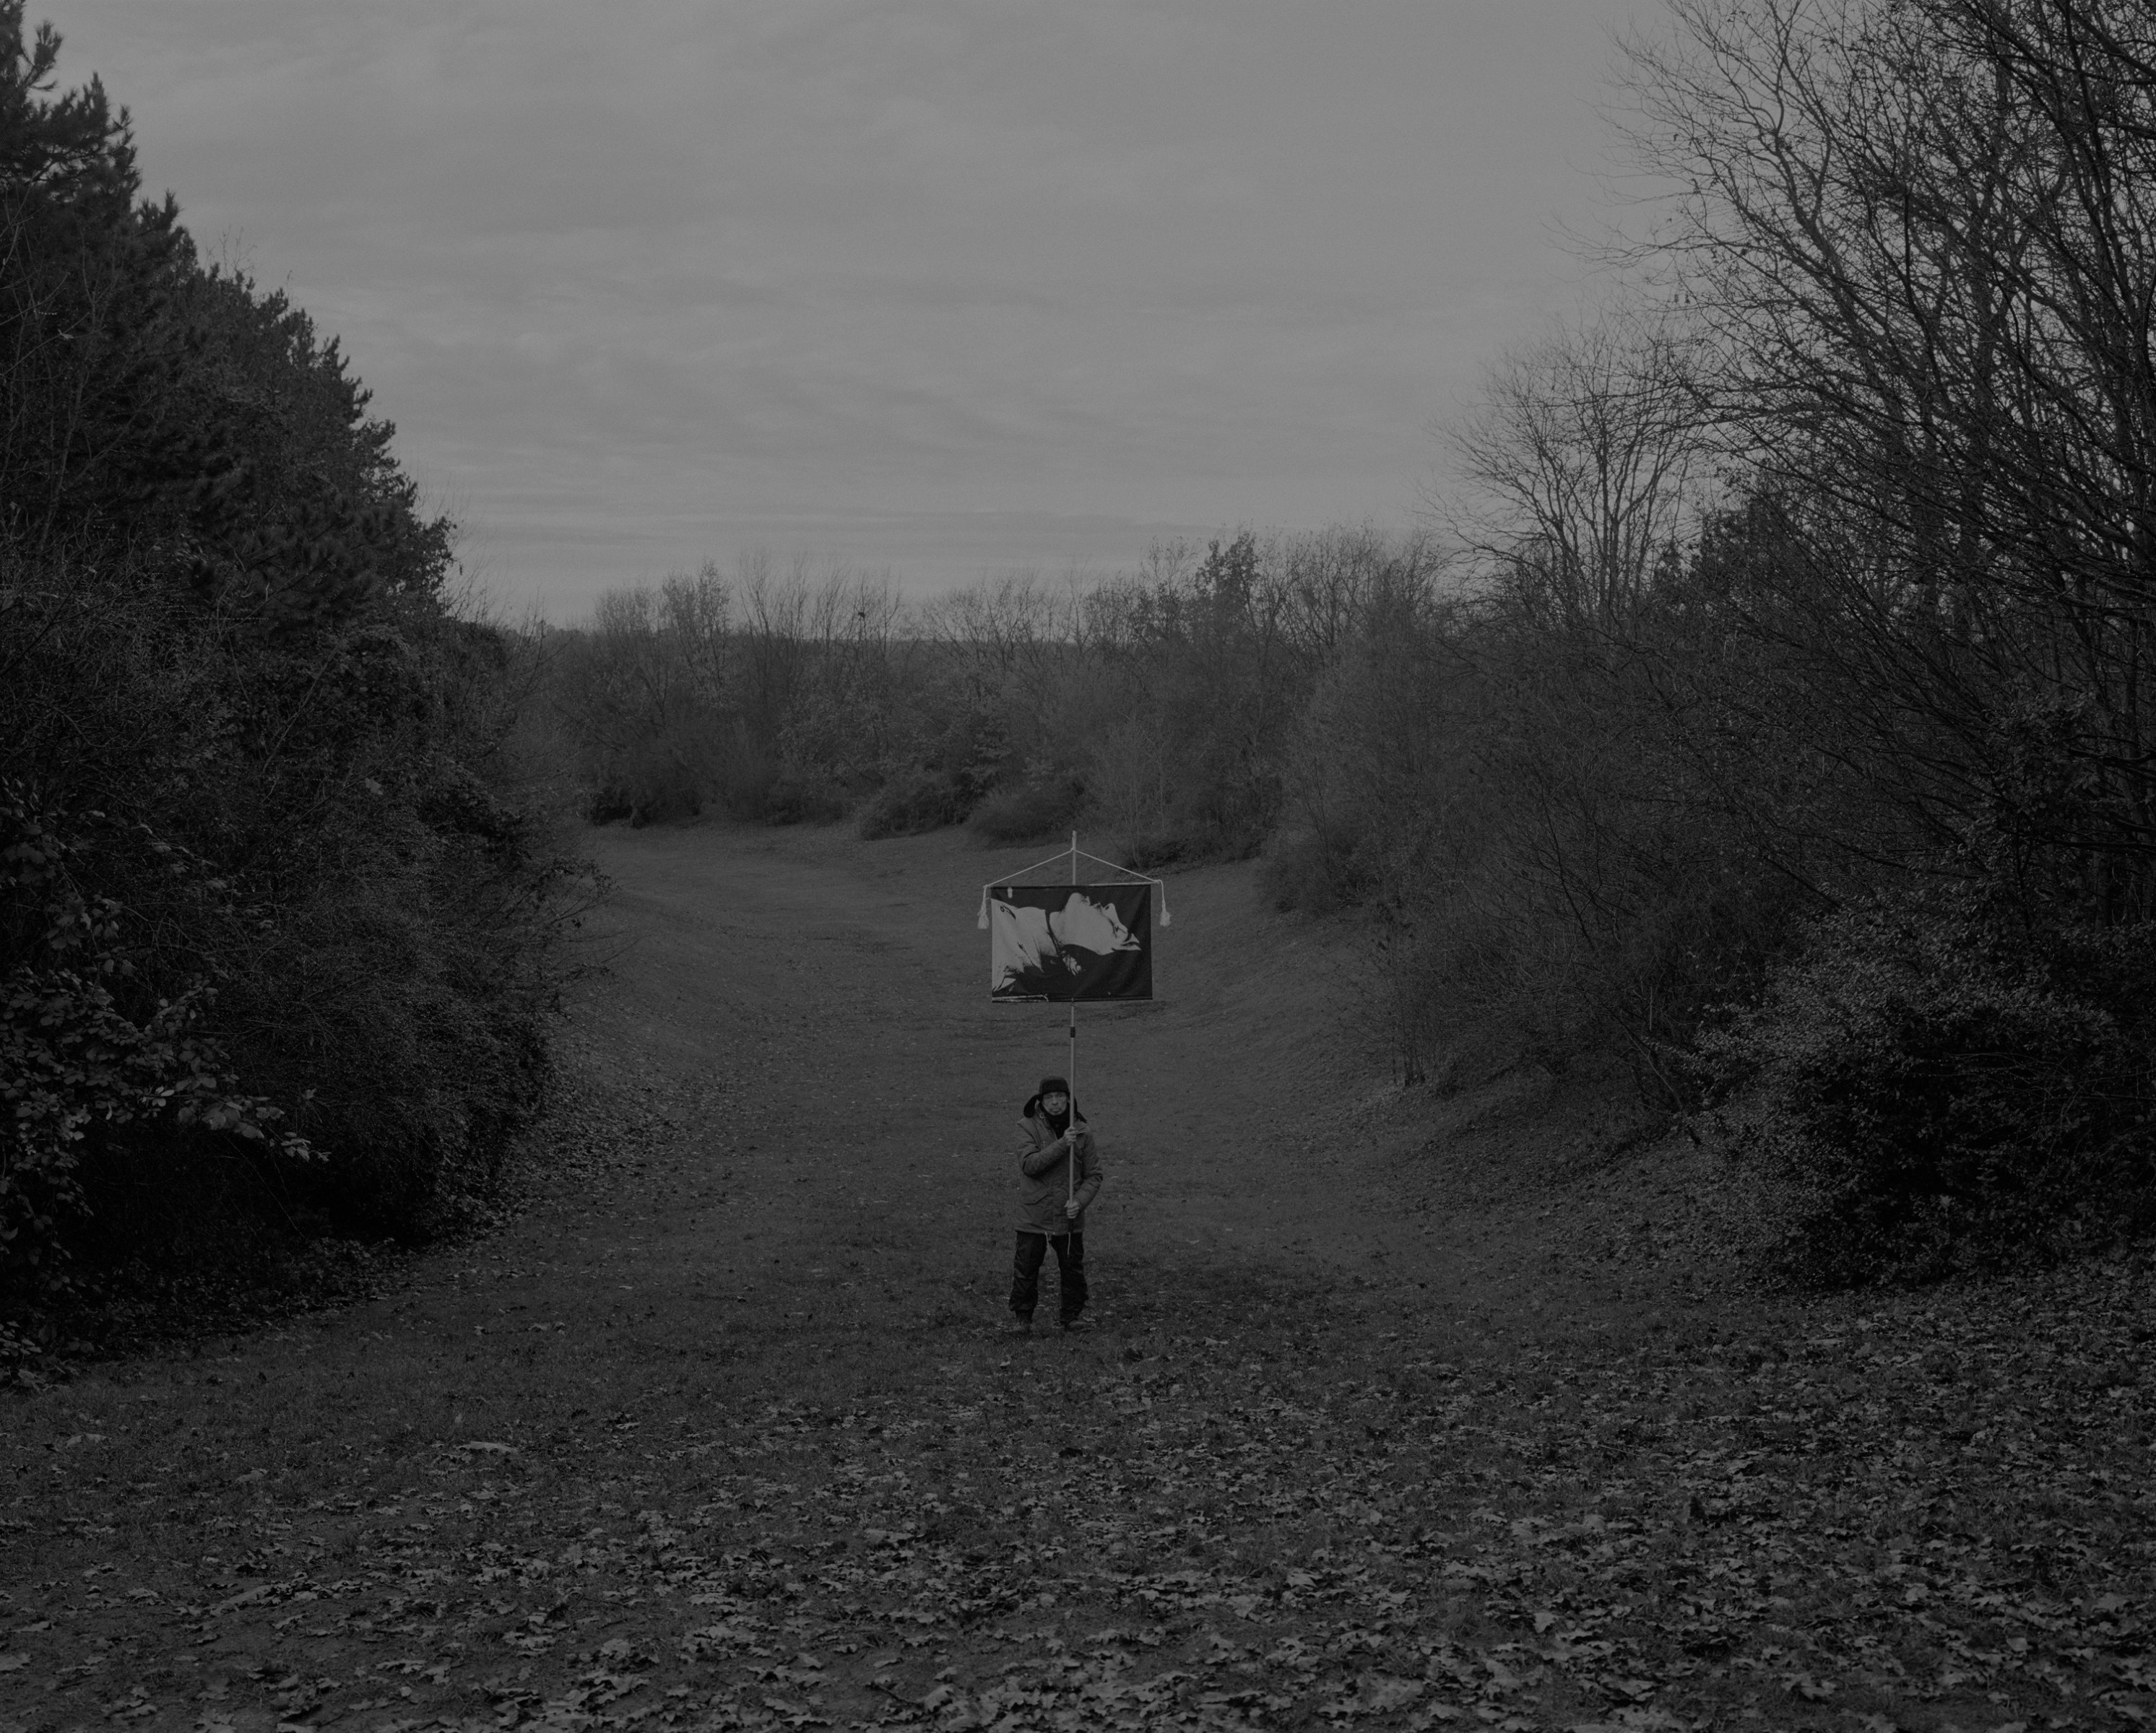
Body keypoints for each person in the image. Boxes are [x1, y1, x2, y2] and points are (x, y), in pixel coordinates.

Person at [1010, 1074, 1101, 1334]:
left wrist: (1080, 1201)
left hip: (1068, 1214)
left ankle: (1071, 1316)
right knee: (1026, 1266)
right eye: (1049, 1098)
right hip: (1034, 1212)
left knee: (1072, 1267)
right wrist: (1063, 1143)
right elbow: (1030, 1165)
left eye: (1060, 1097)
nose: (1055, 1103)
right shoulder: (1026, 1127)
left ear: (1068, 1099)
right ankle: (1022, 1318)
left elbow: (1094, 1175)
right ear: (1040, 1101)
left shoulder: (1082, 1130)